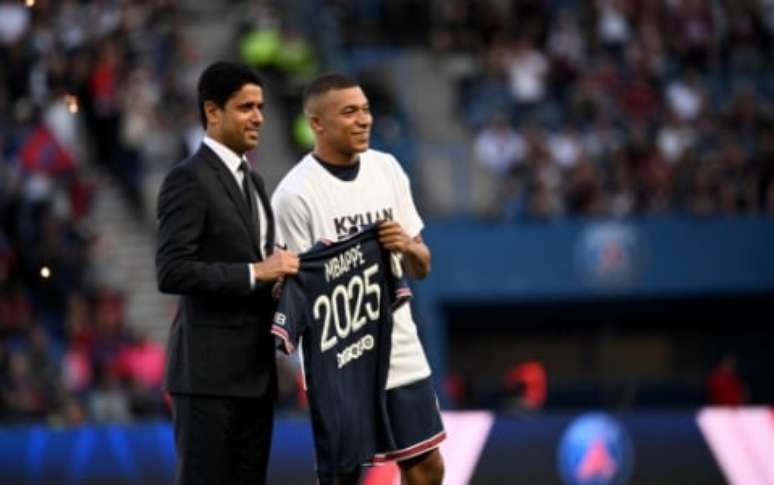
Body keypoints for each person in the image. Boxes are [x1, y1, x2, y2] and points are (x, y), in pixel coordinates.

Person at [272, 73, 445, 485]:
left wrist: (406, 244)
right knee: (345, 477)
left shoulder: (386, 169)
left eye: (366, 109)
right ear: (317, 123)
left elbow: (423, 264)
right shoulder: (295, 194)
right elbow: (291, 288)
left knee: (427, 467)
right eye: (349, 112)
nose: (364, 119)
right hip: (339, 355)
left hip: (398, 341)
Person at [155, 61, 299, 485]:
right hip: (207, 378)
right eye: (245, 107)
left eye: (260, 106)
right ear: (212, 111)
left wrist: (279, 284)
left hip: (256, 376)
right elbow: (172, 270)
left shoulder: (254, 182)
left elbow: (257, 273)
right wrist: (257, 272)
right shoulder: (187, 179)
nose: (258, 117)